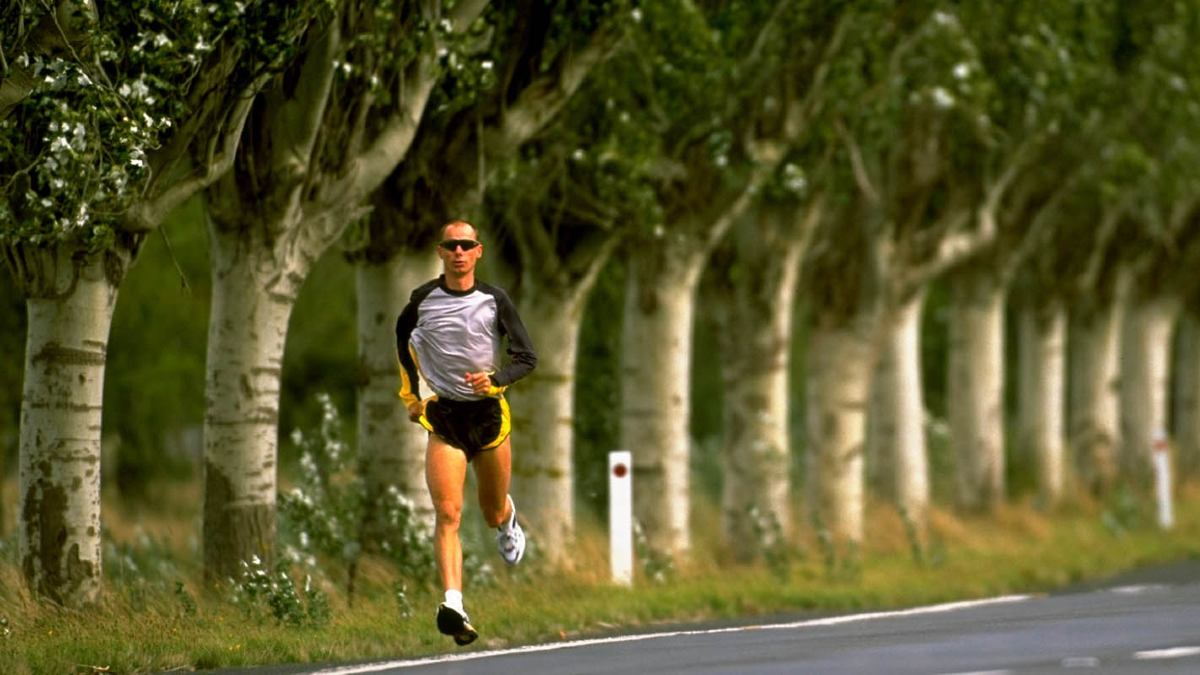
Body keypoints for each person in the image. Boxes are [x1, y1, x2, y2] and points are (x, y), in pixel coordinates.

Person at [394, 220, 538, 646]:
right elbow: (403, 347)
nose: (458, 252)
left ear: (478, 252)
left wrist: (496, 381)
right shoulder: (421, 301)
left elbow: (527, 356)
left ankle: (508, 521)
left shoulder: (495, 299)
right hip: (445, 419)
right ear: (440, 252)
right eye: (451, 245)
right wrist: (412, 397)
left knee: (490, 510)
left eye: (466, 245)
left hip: (489, 416)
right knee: (448, 514)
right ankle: (454, 603)